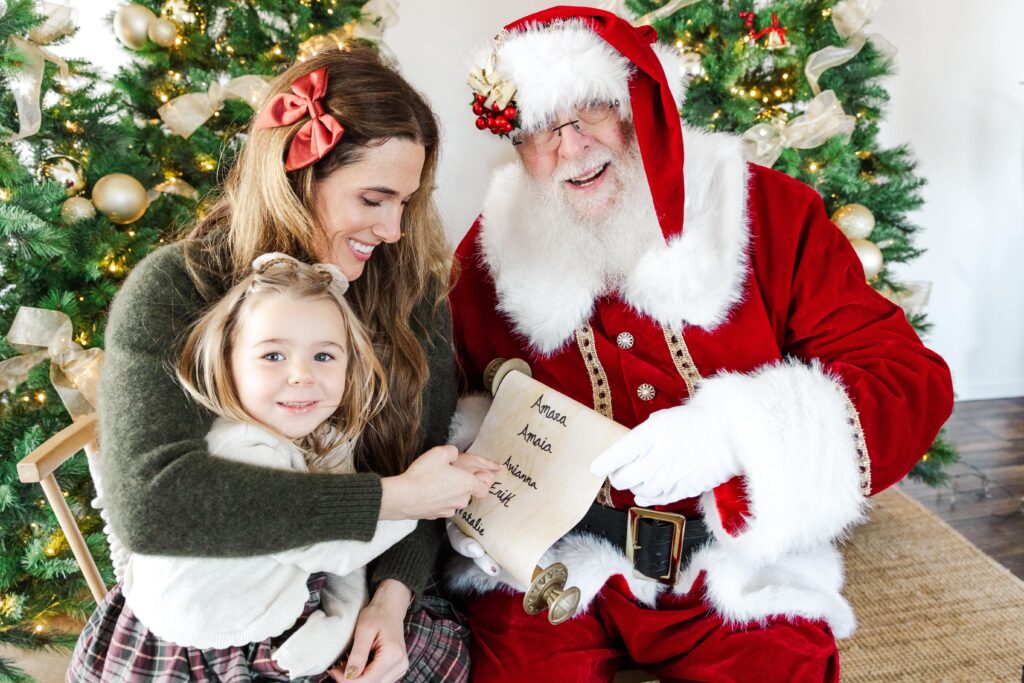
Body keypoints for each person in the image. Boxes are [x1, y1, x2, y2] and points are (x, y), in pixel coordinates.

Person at [446, 7, 954, 682]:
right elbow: (443, 396)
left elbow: (907, 380)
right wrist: (476, 510)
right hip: (556, 563)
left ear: (642, 101)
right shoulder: (495, 247)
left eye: (590, 109)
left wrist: (737, 436)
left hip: (736, 564)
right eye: (541, 127)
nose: (570, 147)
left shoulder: (769, 213)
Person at [69, 46, 497, 683]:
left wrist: (392, 598)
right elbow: (154, 506)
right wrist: (391, 497)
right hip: (209, 596)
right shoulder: (178, 289)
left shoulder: (409, 296)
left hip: (360, 579)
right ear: (302, 177)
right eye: (374, 199)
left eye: (406, 202)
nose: (394, 230)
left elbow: (424, 478)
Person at [114, 252, 417, 679]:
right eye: (273, 356)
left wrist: (338, 624)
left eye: (325, 357)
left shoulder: (322, 436)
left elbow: (343, 559)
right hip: (196, 652)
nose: (301, 376)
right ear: (228, 362)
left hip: (268, 613)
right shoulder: (243, 447)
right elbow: (337, 547)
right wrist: (418, 499)